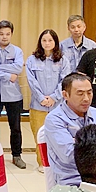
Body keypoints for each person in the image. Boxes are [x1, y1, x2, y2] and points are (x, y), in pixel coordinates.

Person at [44, 73, 96, 186]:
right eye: (80, 94)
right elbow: (70, 156)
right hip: (72, 181)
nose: (86, 98)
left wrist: (79, 143)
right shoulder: (54, 119)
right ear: (65, 95)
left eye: (89, 93)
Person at [26, 29, 71, 172]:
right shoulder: (32, 60)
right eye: (44, 40)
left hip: (57, 105)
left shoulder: (63, 60)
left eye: (50, 40)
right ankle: (42, 163)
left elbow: (65, 80)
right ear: (40, 42)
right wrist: (41, 98)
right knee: (39, 134)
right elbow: (31, 81)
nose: (47, 43)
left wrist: (53, 97)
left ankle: (57, 162)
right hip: (38, 105)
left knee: (57, 134)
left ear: (55, 42)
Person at [0, 20, 26, 169]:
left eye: (7, 34)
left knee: (15, 127)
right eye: (1, 34)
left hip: (13, 95)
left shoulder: (17, 51)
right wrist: (7, 74)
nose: (4, 37)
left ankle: (17, 155)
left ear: (11, 34)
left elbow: (18, 68)